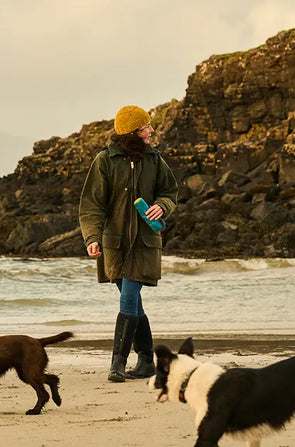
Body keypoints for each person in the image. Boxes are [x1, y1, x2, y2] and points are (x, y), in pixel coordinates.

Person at [78, 105, 180, 383]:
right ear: (132, 132)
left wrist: (162, 206)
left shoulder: (155, 159)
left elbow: (170, 191)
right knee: (133, 300)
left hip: (145, 241)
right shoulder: (104, 161)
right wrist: (92, 237)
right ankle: (147, 359)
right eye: (146, 127)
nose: (152, 130)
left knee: (128, 297)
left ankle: (117, 363)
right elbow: (92, 205)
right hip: (114, 244)